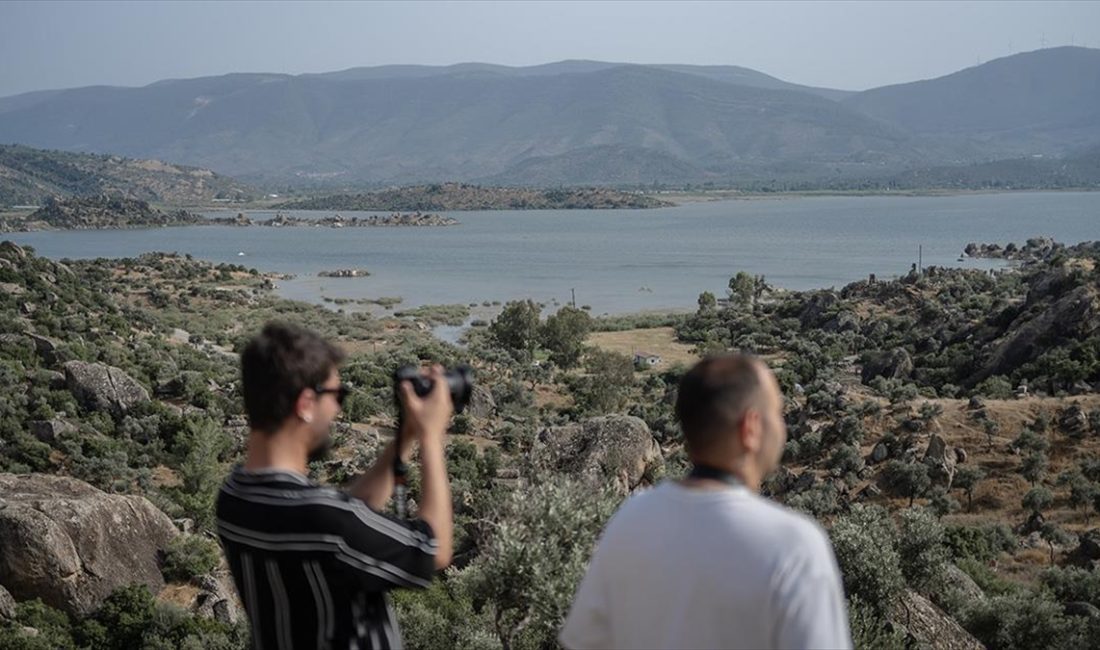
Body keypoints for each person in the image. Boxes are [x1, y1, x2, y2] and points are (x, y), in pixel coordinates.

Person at [560, 354, 852, 650]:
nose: (783, 426)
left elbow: (585, 642)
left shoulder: (629, 521)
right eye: (777, 412)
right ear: (751, 428)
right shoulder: (794, 545)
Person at [216, 321, 454, 650]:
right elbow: (435, 549)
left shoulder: (233, 497)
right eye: (336, 395)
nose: (339, 408)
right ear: (305, 404)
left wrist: (406, 436)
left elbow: (346, 517)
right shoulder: (326, 522)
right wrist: (431, 436)